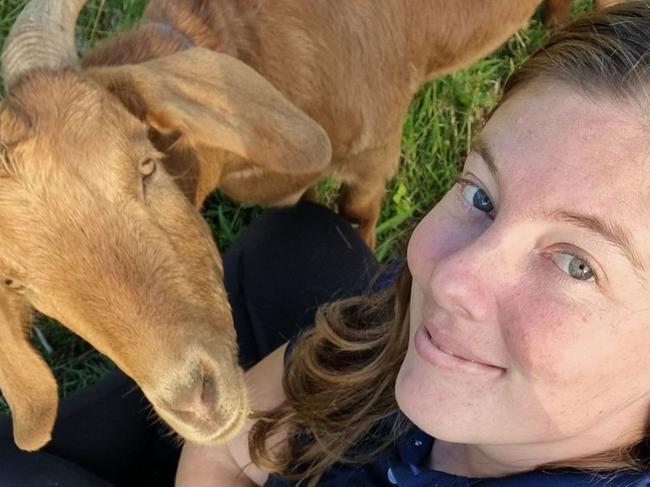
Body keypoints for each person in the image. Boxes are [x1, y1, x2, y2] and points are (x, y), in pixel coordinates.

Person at [175, 3, 650, 486]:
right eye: (481, 195)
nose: (448, 278)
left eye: (576, 265)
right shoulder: (404, 320)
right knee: (294, 236)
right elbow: (225, 448)